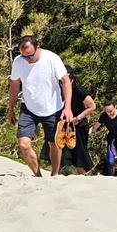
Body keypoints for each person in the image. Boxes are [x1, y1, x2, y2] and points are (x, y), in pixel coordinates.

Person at [7, 33, 73, 177]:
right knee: (24, 144)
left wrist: (67, 107)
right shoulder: (18, 62)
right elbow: (14, 84)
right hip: (29, 108)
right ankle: (38, 175)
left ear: (38, 48)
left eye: (30, 56)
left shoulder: (52, 59)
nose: (28, 60)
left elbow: (66, 82)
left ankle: (54, 174)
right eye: (24, 56)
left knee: (54, 144)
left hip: (53, 108)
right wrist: (10, 108)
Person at [47, 78, 97, 175]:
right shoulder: (56, 89)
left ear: (72, 80)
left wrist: (78, 118)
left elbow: (92, 106)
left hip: (78, 125)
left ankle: (83, 175)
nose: (62, 83)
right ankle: (55, 174)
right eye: (61, 81)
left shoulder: (79, 91)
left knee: (79, 153)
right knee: (58, 147)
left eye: (65, 80)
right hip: (62, 123)